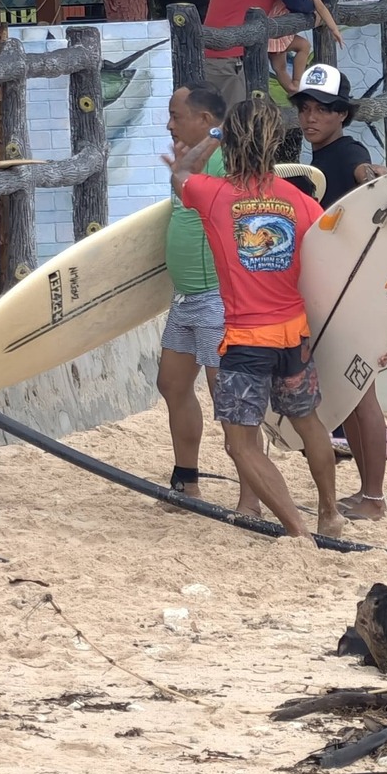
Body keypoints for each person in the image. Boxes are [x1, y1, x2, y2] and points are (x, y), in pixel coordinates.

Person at [167, 98, 342, 540]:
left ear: (231, 142)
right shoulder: (302, 203)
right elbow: (329, 266)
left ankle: (298, 532)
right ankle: (329, 514)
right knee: (310, 424)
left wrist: (213, 135)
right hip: (294, 336)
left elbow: (181, 172)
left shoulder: (213, 195)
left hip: (246, 341)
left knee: (240, 443)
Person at [290, 64, 387, 521]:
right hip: (333, 292)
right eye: (305, 108)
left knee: (361, 394)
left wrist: (373, 175)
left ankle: (374, 498)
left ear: (342, 115)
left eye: (323, 110)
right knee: (348, 395)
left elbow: (365, 172)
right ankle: (368, 493)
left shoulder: (347, 151)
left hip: (353, 295)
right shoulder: (312, 161)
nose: (311, 117)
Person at [158, 84, 226, 498]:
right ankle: (187, 481)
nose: (169, 124)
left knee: (230, 403)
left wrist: (217, 137)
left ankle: (251, 497)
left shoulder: (222, 158)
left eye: (176, 116)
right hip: (184, 298)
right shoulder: (189, 159)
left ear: (205, 120)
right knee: (172, 385)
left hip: (216, 297)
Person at [267, 0, 342, 97]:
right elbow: (321, 8)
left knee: (281, 66)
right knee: (300, 49)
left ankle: (294, 89)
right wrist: (334, 28)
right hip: (277, 31)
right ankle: (296, 84)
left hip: (276, 28)